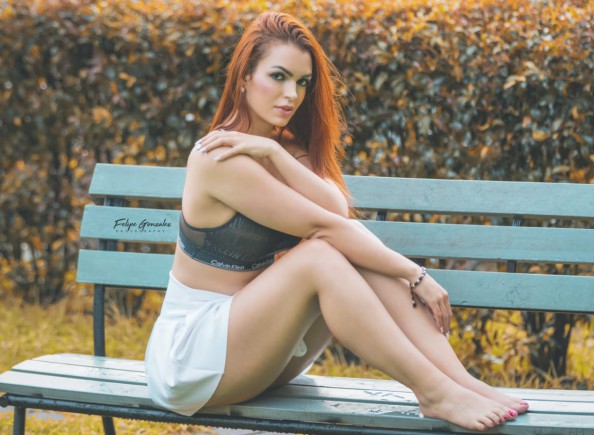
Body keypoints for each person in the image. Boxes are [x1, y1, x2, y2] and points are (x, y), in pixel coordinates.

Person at [145, 11, 528, 431]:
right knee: (321, 256)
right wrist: (415, 274)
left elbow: (335, 211)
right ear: (244, 78)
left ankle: (462, 383)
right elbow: (324, 228)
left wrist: (275, 153)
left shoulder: (283, 146)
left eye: (302, 82)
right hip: (194, 357)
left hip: (258, 348)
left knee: (350, 250)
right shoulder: (218, 157)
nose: (291, 94)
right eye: (278, 76)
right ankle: (434, 392)